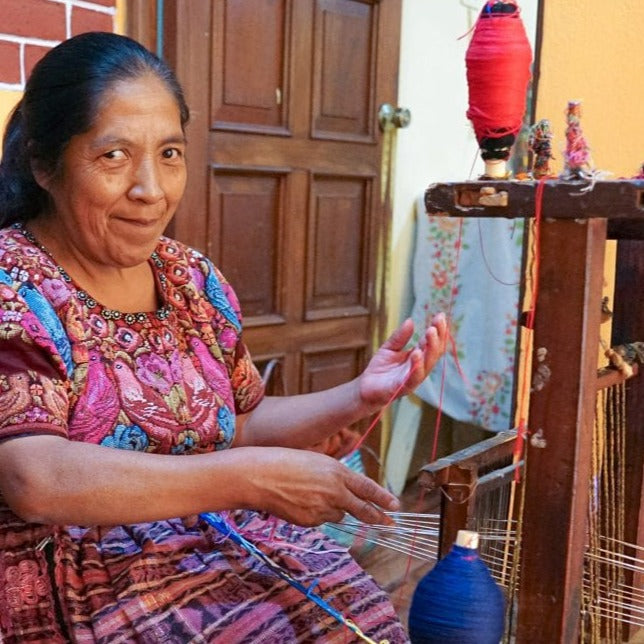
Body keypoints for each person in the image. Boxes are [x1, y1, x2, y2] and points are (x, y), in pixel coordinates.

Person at [0, 32, 447, 643]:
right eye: (113, 157)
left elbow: (237, 422)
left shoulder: (190, 279)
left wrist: (362, 394)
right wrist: (247, 479)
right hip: (75, 583)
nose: (151, 190)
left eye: (170, 154)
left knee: (356, 623)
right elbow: (34, 478)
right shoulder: (15, 284)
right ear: (44, 164)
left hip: (211, 540)